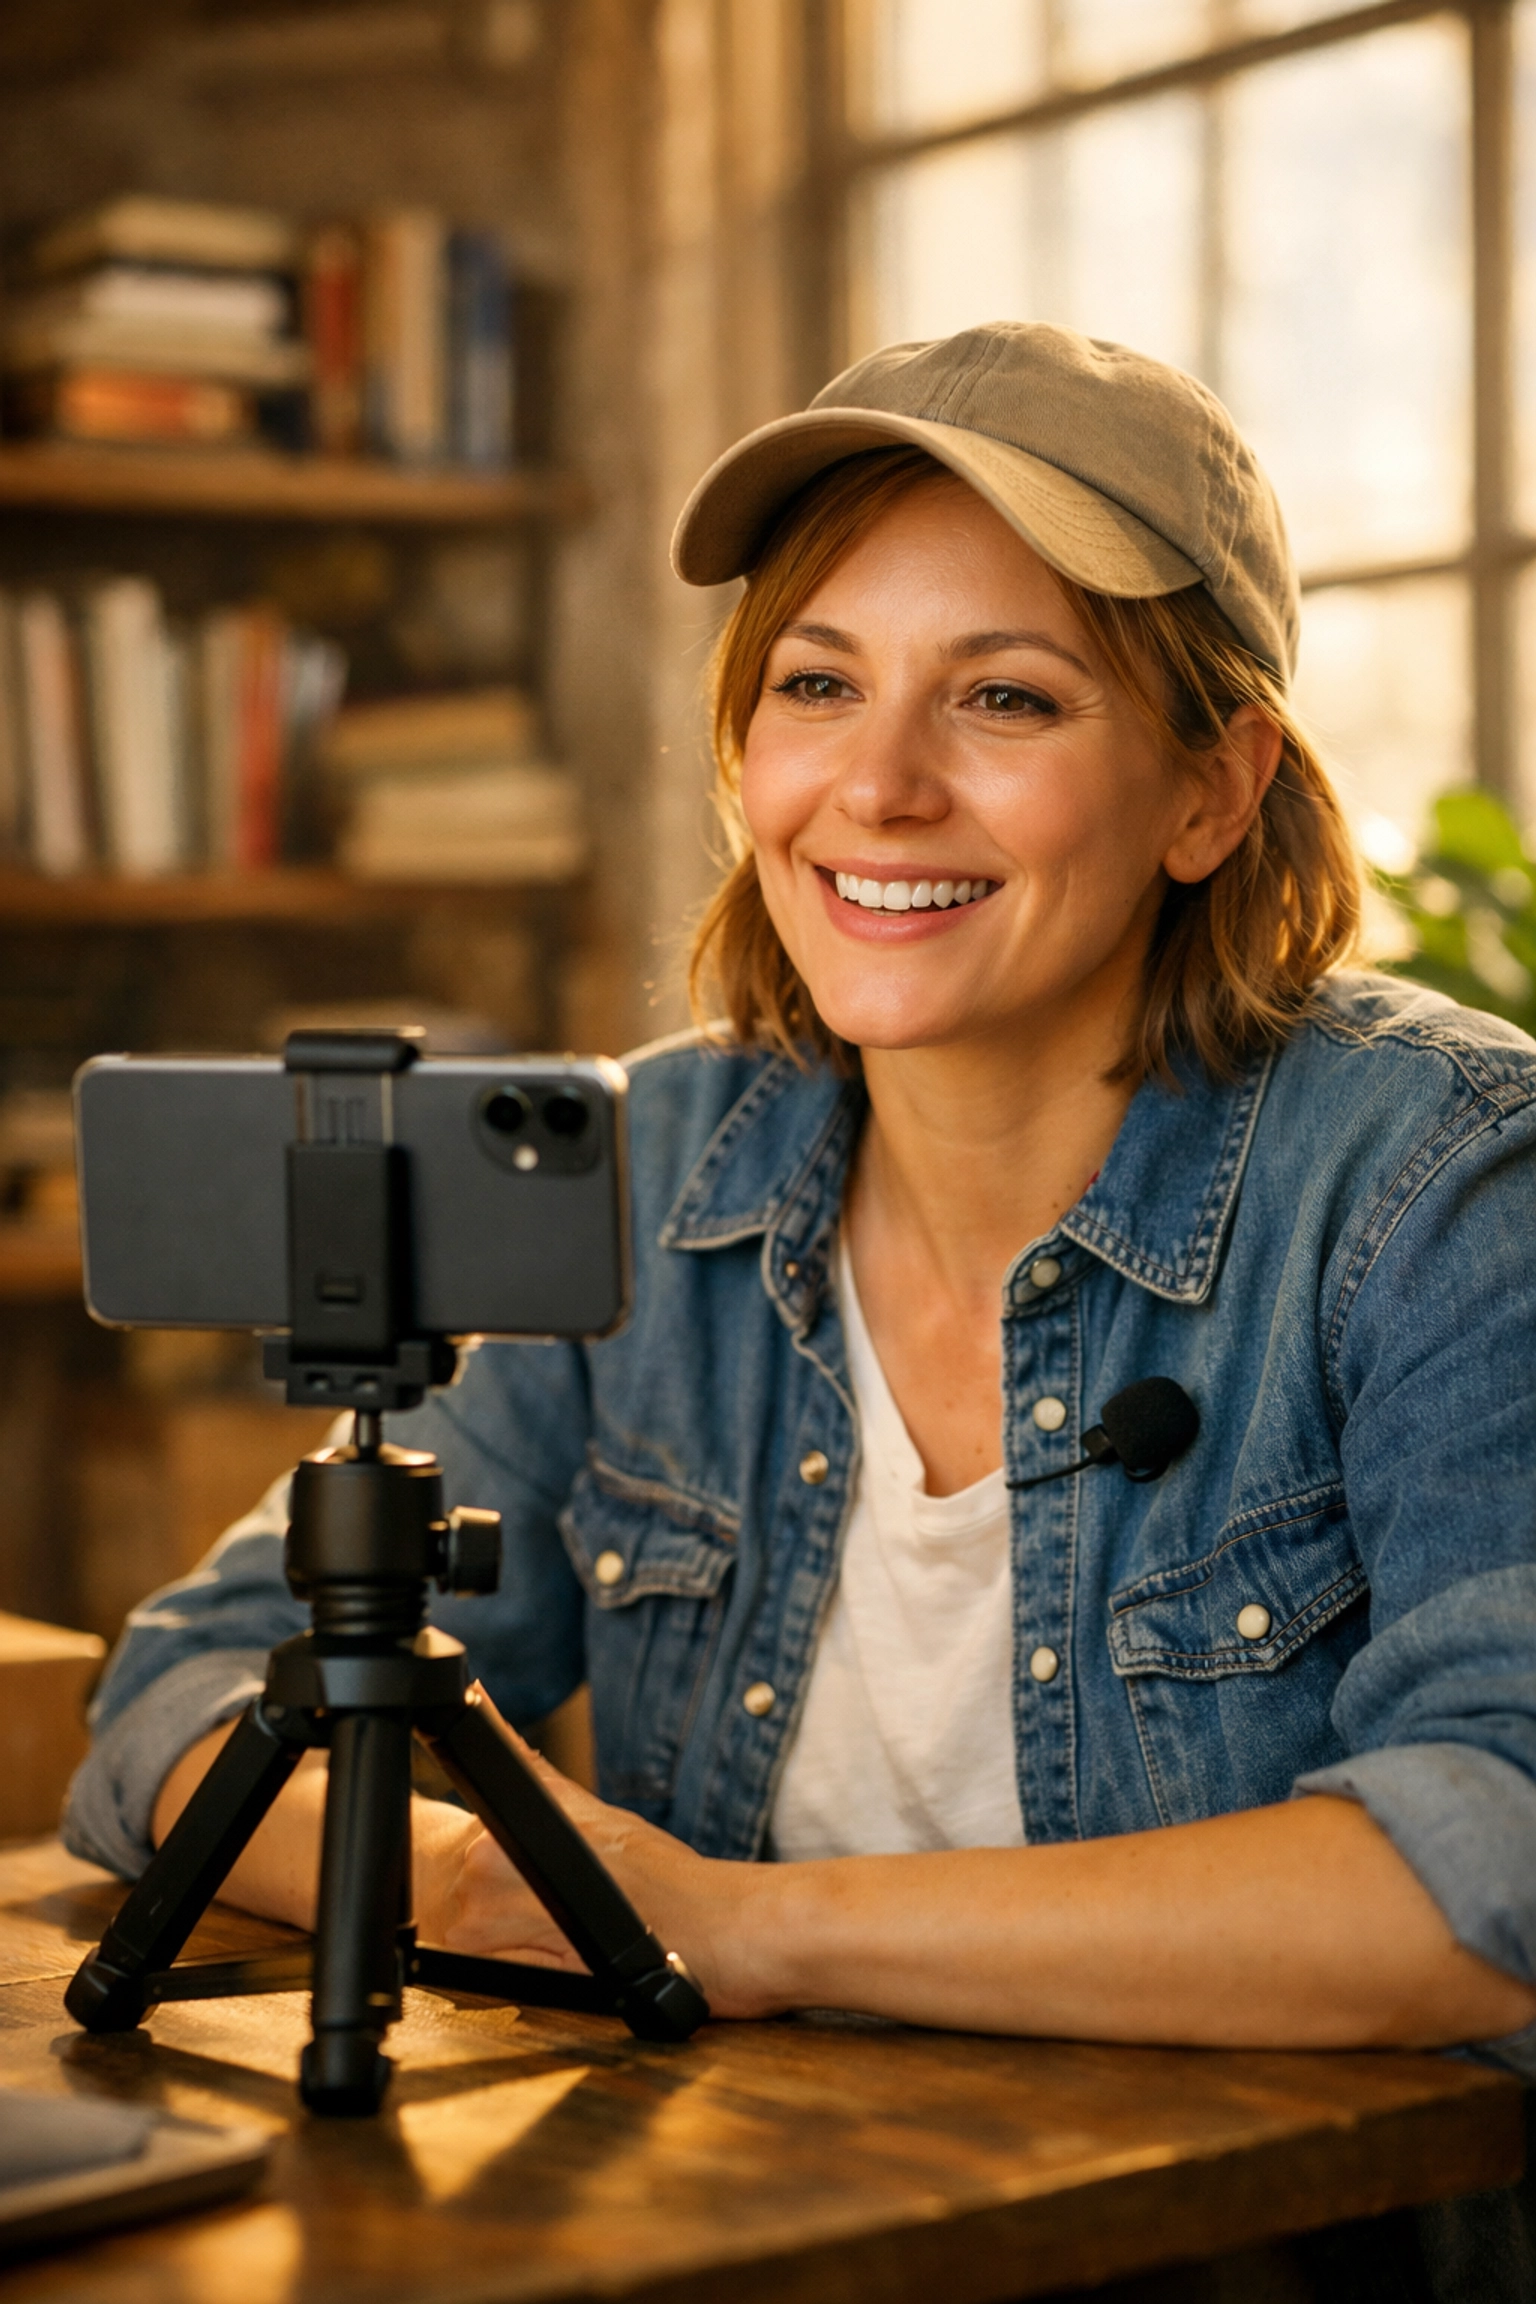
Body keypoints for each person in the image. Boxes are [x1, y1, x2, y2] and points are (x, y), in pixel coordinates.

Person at [68, 324, 1536, 2099]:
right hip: (754, 2219)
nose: (879, 787)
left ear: (1213, 791)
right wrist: (493, 1879)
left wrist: (747, 1927)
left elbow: (1488, 1877)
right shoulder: (661, 1166)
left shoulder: (1434, 1180)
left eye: (1006, 696)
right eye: (817, 685)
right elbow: (182, 1703)